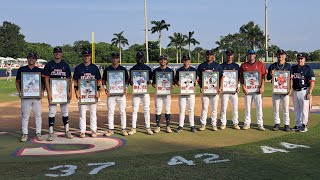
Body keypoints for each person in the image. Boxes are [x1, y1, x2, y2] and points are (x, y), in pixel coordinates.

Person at [43, 47, 73, 141]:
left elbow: (69, 79)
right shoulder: (49, 65)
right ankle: (50, 132)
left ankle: (67, 131)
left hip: (63, 92)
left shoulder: (65, 65)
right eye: (56, 52)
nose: (57, 54)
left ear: (61, 54)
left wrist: (70, 91)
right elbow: (46, 79)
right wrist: (49, 93)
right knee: (52, 111)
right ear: (53, 54)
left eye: (59, 52)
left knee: (65, 111)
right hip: (53, 92)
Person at [15, 52, 44, 142]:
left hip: (36, 96)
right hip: (26, 96)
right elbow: (17, 82)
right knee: (25, 116)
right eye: (30, 58)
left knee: (38, 115)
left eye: (33, 58)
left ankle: (38, 133)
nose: (31, 59)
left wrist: (42, 91)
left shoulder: (39, 70)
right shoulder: (22, 69)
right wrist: (20, 91)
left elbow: (43, 83)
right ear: (27, 59)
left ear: (36, 60)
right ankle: (25, 134)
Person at [73, 50, 101, 138]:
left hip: (93, 94)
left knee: (93, 113)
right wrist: (76, 92)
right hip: (83, 95)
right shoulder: (78, 68)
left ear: (90, 57)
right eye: (85, 55)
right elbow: (75, 82)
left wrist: (98, 92)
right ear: (83, 56)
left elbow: (99, 81)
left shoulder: (95, 68)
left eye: (88, 55)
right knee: (82, 114)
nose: (86, 57)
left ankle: (93, 130)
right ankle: (82, 131)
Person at [102, 52, 129, 136]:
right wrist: (106, 89)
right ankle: (111, 129)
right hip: (111, 94)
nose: (115, 59)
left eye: (116, 58)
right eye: (113, 58)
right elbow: (103, 81)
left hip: (121, 94)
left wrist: (126, 88)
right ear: (111, 59)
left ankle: (123, 129)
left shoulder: (123, 69)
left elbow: (127, 81)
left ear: (119, 59)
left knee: (122, 112)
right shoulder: (107, 69)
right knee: (110, 112)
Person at [239, 49, 266, 131]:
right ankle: (247, 123)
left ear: (255, 55)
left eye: (252, 54)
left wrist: (262, 86)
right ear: (247, 55)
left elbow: (264, 75)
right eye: (249, 54)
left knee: (259, 107)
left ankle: (260, 124)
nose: (251, 55)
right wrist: (243, 86)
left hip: (257, 89)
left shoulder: (260, 64)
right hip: (248, 90)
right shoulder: (243, 65)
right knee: (247, 107)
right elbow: (241, 77)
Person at [197, 50, 223, 131]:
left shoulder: (217, 65)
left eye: (211, 55)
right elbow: (198, 78)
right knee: (204, 107)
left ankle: (214, 124)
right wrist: (200, 87)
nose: (209, 56)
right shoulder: (201, 66)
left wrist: (220, 87)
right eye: (208, 55)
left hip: (214, 90)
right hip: (205, 90)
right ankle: (203, 124)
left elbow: (222, 77)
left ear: (213, 56)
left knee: (214, 108)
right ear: (206, 55)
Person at [128, 52, 153, 135]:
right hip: (136, 92)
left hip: (145, 92)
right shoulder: (132, 69)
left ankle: (148, 127)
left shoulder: (148, 68)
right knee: (135, 110)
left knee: (146, 109)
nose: (140, 59)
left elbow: (151, 79)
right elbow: (130, 81)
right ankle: (133, 128)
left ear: (144, 58)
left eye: (141, 57)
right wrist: (131, 82)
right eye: (138, 57)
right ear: (136, 58)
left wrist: (150, 81)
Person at [267, 49, 292, 131]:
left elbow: (291, 78)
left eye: (282, 54)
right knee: (276, 108)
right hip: (276, 90)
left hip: (285, 90)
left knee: (286, 108)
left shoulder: (289, 66)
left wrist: (290, 88)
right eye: (279, 54)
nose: (280, 56)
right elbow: (268, 78)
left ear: (284, 56)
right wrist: (271, 74)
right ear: (277, 56)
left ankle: (286, 124)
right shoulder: (272, 66)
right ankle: (277, 123)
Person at [291, 53, 316, 132]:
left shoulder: (308, 68)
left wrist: (310, 92)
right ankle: (298, 125)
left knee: (305, 110)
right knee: (296, 110)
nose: (300, 60)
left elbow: (312, 81)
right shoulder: (293, 68)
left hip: (304, 90)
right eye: (298, 58)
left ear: (304, 59)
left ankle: (304, 125)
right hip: (295, 91)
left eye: (301, 58)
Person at [174, 55, 197, 133]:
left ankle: (192, 125)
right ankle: (181, 126)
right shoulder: (179, 70)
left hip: (191, 92)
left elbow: (196, 80)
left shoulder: (194, 70)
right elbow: (176, 80)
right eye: (184, 60)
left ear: (190, 61)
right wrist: (178, 83)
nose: (186, 62)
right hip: (182, 92)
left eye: (187, 60)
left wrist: (196, 82)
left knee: (191, 109)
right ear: (182, 61)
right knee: (182, 110)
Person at [152, 55, 174, 133]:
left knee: (167, 109)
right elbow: (153, 83)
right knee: (158, 109)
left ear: (166, 61)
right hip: (159, 92)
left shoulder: (170, 71)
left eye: (164, 60)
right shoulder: (155, 71)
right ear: (159, 61)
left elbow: (173, 82)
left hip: (167, 93)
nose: (163, 61)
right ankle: (157, 126)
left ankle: (168, 126)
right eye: (161, 60)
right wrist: (154, 85)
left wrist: (172, 85)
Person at [220, 50, 241, 130]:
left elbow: (239, 78)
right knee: (223, 107)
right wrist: (220, 87)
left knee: (235, 108)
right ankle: (223, 123)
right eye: (228, 55)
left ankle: (235, 123)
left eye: (231, 55)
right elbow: (219, 77)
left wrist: (238, 86)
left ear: (233, 55)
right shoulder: (221, 66)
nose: (229, 56)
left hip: (233, 90)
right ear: (226, 56)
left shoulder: (236, 66)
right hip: (224, 90)